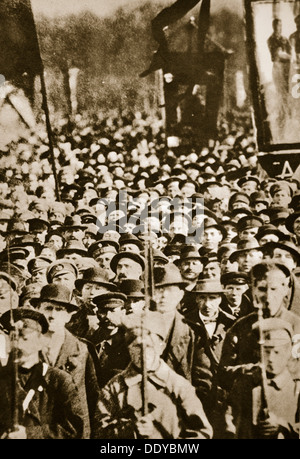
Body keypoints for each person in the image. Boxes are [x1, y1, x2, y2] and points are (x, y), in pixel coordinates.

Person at [94, 310, 213, 439]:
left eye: (149, 346)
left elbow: (202, 433)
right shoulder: (115, 387)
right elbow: (99, 431)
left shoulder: (178, 386)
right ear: (128, 349)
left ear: (161, 347)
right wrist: (129, 429)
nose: (143, 354)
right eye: (137, 346)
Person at [218, 262, 300, 395]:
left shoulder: (296, 326)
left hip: (287, 404)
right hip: (248, 403)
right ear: (253, 289)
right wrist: (249, 371)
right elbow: (223, 373)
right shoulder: (241, 327)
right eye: (262, 289)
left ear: (285, 289)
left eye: (274, 289)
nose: (268, 296)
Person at [30, 283, 101, 439]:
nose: (52, 315)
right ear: (38, 310)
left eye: (59, 310)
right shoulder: (27, 349)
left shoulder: (82, 350)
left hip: (73, 432)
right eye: (48, 308)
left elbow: (91, 399)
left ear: (69, 315)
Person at [0, 308, 84, 439]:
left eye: (24, 338)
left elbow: (74, 428)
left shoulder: (58, 380)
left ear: (40, 343)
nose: (16, 345)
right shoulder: (3, 377)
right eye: (13, 338)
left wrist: (29, 434)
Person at [223, 318, 299, 439]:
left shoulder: (296, 388)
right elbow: (230, 417)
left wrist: (283, 426)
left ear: (288, 353)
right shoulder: (245, 383)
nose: (271, 359)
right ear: (257, 353)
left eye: (277, 352)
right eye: (266, 352)